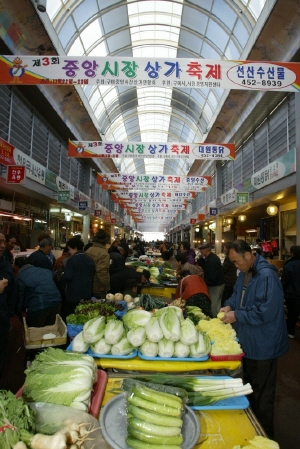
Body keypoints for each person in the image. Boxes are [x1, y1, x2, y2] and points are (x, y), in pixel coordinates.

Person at [219, 240, 289, 438]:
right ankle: (251, 434)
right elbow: (236, 296)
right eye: (233, 262)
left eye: (237, 261)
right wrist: (228, 306)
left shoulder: (267, 276)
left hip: (263, 345)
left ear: (249, 255)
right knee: (250, 392)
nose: (235, 266)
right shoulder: (245, 273)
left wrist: (237, 315)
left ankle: (266, 438)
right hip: (248, 342)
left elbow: (264, 312)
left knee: (262, 397)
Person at [15, 258, 61, 328]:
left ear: (17, 266)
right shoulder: (45, 271)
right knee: (52, 330)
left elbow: (20, 297)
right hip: (56, 302)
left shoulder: (20, 276)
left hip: (39, 307)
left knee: (37, 333)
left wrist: (19, 311)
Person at [62, 237, 95, 317]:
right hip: (87, 293)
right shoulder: (90, 260)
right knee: (84, 315)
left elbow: (68, 277)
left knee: (73, 316)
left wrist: (63, 275)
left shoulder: (72, 260)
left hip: (74, 295)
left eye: (70, 249)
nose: (69, 252)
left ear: (76, 248)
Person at [0, 232, 15, 379]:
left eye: (4, 242)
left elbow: (12, 290)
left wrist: (11, 313)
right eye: (0, 242)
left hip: (2, 318)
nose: (3, 246)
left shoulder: (5, 263)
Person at [198, 242, 225, 317]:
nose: (200, 251)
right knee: (217, 305)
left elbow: (212, 276)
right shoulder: (209, 258)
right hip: (218, 284)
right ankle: (219, 320)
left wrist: (203, 282)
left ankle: (215, 321)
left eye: (202, 249)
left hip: (216, 286)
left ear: (207, 249)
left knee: (213, 305)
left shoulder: (212, 260)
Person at [281, 245, 300, 338]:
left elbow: (284, 282)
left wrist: (281, 293)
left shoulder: (289, 265)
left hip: (292, 295)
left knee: (292, 314)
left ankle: (291, 332)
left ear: (292, 253)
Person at [85, 230, 110, 299]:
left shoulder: (88, 250)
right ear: (106, 241)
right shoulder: (103, 253)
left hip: (88, 284)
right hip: (98, 287)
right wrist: (104, 285)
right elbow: (101, 271)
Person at [221, 242, 237, 306]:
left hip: (228, 281)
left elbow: (224, 269)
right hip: (232, 280)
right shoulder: (231, 257)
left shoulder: (229, 258)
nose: (224, 249)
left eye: (225, 248)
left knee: (226, 298)